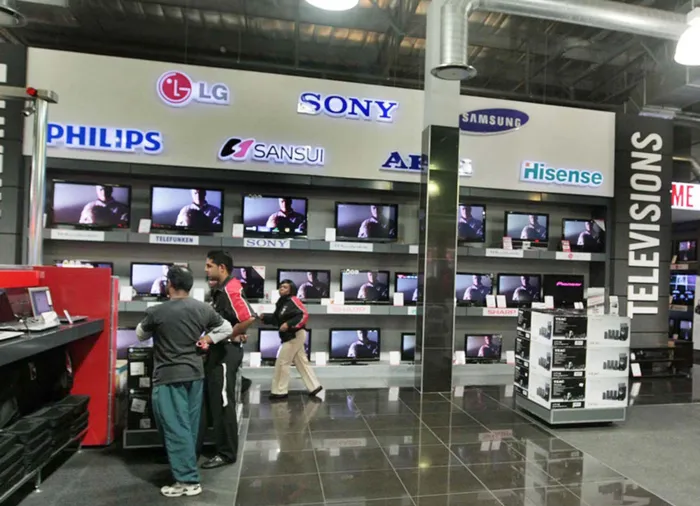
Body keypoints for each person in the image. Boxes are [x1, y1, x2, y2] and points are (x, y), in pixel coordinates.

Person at [135, 266, 232, 498]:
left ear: (169, 284)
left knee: (175, 428)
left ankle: (187, 480)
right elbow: (226, 327)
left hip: (168, 377)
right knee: (187, 427)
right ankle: (186, 472)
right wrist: (207, 338)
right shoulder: (202, 308)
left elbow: (140, 334)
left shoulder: (156, 311)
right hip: (195, 375)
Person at [201, 251, 256, 469]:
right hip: (220, 351)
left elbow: (248, 317)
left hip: (226, 352)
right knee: (217, 400)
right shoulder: (220, 290)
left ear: (221, 268)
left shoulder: (230, 289)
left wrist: (228, 335)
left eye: (209, 266)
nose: (206, 269)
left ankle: (226, 453)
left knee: (224, 402)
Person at [260, 279, 322, 400]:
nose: (281, 289)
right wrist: (265, 318)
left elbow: (303, 314)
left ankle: (279, 391)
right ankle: (314, 386)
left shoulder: (293, 300)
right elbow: (277, 319)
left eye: (285, 287)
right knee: (301, 361)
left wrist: (288, 325)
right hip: (290, 335)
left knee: (282, 362)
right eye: (281, 287)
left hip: (295, 335)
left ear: (291, 290)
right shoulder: (281, 302)